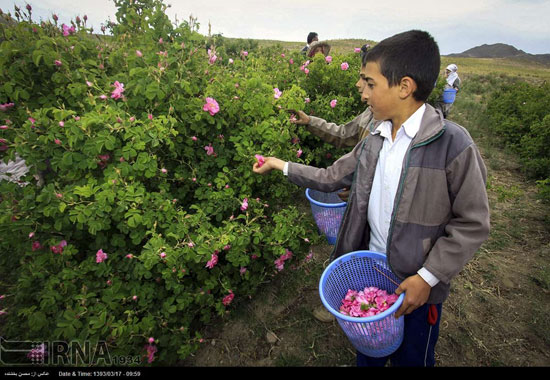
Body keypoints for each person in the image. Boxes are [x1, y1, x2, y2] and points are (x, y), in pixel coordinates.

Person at [253, 30, 490, 367]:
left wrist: (428, 277)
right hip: (372, 274)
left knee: (413, 357)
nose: (361, 91)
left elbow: (473, 223)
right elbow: (331, 177)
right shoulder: (375, 138)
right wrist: (281, 165)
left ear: (404, 87)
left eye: (369, 82)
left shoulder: (452, 145)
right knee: (370, 353)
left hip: (418, 290)